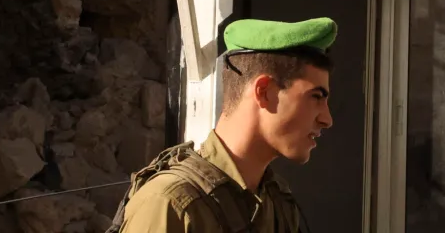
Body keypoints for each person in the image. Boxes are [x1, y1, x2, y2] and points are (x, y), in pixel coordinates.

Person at [110, 17, 336, 232]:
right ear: (264, 92)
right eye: (316, 97)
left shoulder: (276, 203)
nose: (327, 119)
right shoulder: (171, 204)